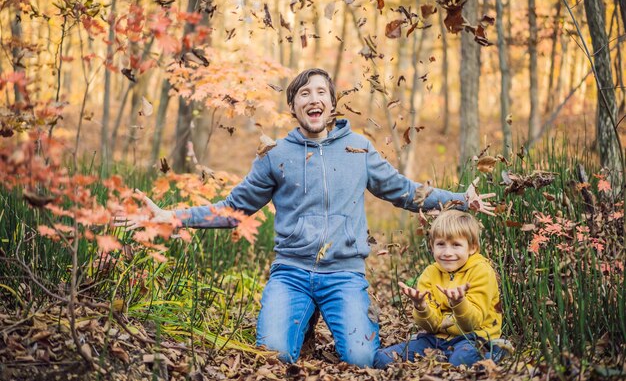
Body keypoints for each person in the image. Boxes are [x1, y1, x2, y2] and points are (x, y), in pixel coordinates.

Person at [118, 68, 495, 368]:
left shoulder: (359, 149)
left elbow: (405, 191)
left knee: (362, 359)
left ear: (332, 105)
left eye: (321, 93)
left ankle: (333, 312)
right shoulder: (275, 155)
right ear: (294, 107)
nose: (313, 99)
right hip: (292, 272)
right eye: (304, 94)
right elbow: (235, 209)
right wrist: (172, 216)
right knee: (276, 355)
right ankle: (302, 313)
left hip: (344, 274)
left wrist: (461, 200)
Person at [373, 209, 503, 368]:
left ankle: (494, 353)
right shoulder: (430, 273)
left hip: (473, 338)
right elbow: (431, 325)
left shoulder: (481, 271)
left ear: (472, 248)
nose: (448, 253)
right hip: (435, 339)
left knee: (461, 361)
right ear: (432, 246)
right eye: (441, 244)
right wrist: (421, 307)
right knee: (382, 359)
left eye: (456, 245)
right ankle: (442, 358)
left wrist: (459, 303)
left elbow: (472, 324)